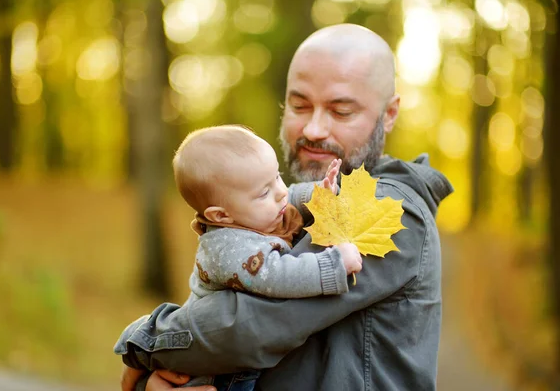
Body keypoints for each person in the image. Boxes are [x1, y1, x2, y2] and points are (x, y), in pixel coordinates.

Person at [116, 23, 454, 391]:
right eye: (299, 105)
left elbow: (244, 327)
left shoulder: (386, 209)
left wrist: (146, 341)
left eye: (340, 111)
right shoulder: (283, 206)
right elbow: (222, 301)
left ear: (389, 114)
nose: (313, 129)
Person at [123, 124, 363, 390]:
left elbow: (290, 195)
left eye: (277, 177)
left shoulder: (255, 210)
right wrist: (333, 265)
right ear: (221, 216)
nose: (280, 191)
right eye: (264, 192)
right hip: (219, 373)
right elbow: (278, 276)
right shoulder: (227, 249)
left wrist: (321, 194)